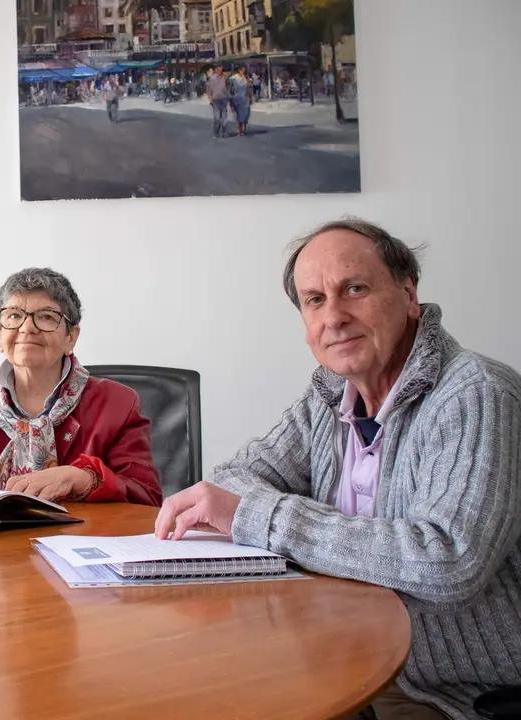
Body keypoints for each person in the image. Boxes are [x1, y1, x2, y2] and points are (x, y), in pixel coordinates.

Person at [154, 219, 521, 720]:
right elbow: (233, 477)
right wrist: (248, 508)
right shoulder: (328, 394)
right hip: (351, 653)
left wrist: (266, 518)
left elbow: (448, 561)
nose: (335, 317)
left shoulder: (477, 394)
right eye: (315, 300)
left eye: (355, 289)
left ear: (409, 293)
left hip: (456, 690)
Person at [0, 268, 162, 506]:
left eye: (46, 316)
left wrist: (85, 479)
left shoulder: (118, 404)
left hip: (84, 540)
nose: (27, 327)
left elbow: (146, 498)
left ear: (71, 337)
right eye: (13, 316)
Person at [229, 66, 253, 136]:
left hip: (246, 99)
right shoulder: (233, 79)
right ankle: (240, 130)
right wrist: (230, 101)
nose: (244, 71)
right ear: (239, 70)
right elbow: (230, 90)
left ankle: (244, 128)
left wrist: (251, 97)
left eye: (244, 70)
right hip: (237, 99)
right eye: (242, 70)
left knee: (246, 114)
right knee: (239, 115)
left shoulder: (247, 78)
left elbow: (249, 88)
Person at [206, 65, 229, 139]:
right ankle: (216, 133)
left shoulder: (224, 78)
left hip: (223, 99)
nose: (220, 71)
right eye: (219, 70)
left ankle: (224, 132)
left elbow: (225, 88)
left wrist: (228, 96)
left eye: (221, 70)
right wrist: (210, 98)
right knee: (217, 118)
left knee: (224, 118)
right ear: (216, 70)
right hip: (215, 100)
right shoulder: (212, 78)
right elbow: (208, 89)